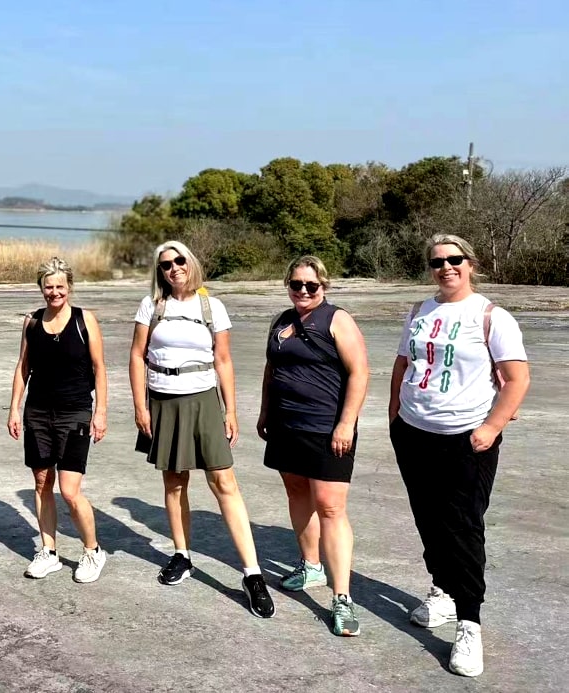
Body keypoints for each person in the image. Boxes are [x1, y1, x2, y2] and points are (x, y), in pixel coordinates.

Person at [389, 234, 529, 678]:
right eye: (437, 262)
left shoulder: (492, 316)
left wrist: (490, 428)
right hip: (414, 433)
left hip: (466, 438)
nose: (445, 267)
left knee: (464, 526)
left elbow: (516, 379)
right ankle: (443, 591)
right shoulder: (418, 312)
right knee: (428, 518)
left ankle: (469, 621)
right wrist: (395, 415)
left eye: (454, 260)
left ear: (470, 263)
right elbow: (402, 364)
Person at [128, 241, 275, 618]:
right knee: (174, 482)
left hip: (203, 399)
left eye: (179, 261)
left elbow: (223, 360)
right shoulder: (152, 305)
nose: (173, 268)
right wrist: (140, 405)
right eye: (165, 265)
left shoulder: (212, 306)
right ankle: (182, 554)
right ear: (159, 271)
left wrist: (231, 411)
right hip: (163, 400)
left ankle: (252, 573)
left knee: (224, 483)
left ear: (190, 263)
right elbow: (136, 355)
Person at [257, 257, 369, 636]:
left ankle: (342, 598)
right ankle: (310, 566)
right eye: (296, 284)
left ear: (324, 286)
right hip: (287, 426)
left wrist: (346, 423)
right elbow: (272, 370)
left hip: (326, 428)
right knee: (296, 491)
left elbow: (359, 372)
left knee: (331, 507)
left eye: (311, 285)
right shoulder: (281, 321)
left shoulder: (337, 319)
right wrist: (264, 413)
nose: (303, 291)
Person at [7, 257, 109, 583]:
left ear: (69, 287)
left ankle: (93, 551)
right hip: (37, 412)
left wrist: (101, 412)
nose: (54, 292)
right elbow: (23, 368)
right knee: (41, 481)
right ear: (41, 288)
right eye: (48, 287)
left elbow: (100, 368)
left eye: (60, 287)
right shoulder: (32, 322)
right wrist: (14, 408)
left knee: (69, 489)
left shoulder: (84, 320)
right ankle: (48, 551)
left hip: (75, 411)